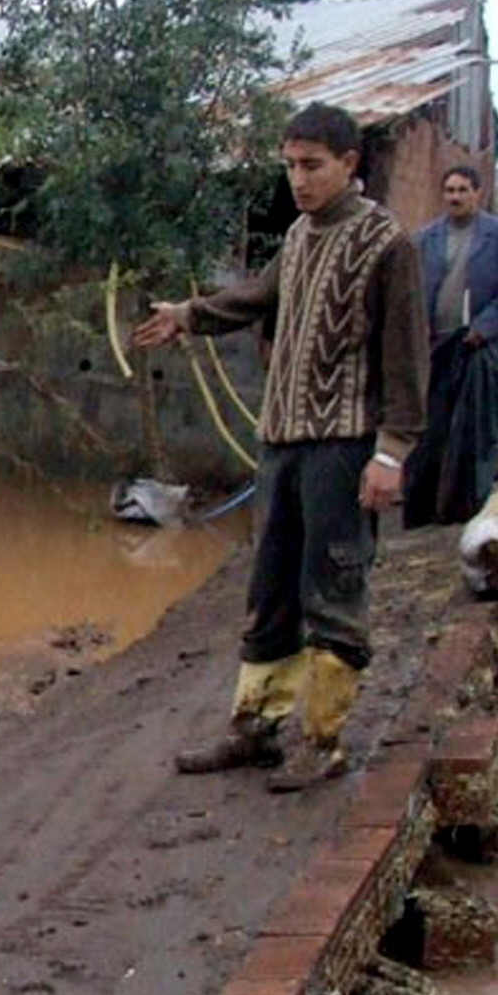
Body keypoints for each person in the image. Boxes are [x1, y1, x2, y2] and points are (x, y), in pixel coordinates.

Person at [130, 101, 427, 791]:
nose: (298, 179)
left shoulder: (388, 245)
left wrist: (391, 453)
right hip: (284, 440)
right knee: (271, 586)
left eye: (311, 166)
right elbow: (256, 297)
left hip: (343, 445)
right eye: (290, 165)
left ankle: (322, 740)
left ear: (349, 163)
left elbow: (408, 360)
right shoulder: (299, 234)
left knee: (333, 585)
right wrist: (188, 315)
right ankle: (256, 726)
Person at [405, 164, 498, 525]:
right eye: (450, 190)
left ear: (478, 192)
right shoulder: (425, 238)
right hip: (437, 347)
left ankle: (469, 507)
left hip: (480, 349)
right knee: (433, 428)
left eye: (462, 190)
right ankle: (426, 508)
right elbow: (413, 288)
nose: (455, 197)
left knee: (476, 427)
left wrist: (485, 326)